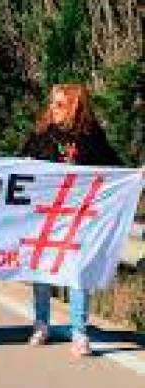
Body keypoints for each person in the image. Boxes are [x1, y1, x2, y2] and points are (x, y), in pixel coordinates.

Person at [22, 83, 124, 358]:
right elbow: (22, 167)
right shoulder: (41, 135)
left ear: (75, 107)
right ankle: (42, 323)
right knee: (43, 270)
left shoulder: (91, 136)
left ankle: (79, 331)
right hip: (46, 216)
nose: (53, 109)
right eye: (52, 103)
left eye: (60, 104)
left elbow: (114, 168)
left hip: (80, 216)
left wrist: (134, 175)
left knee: (78, 271)